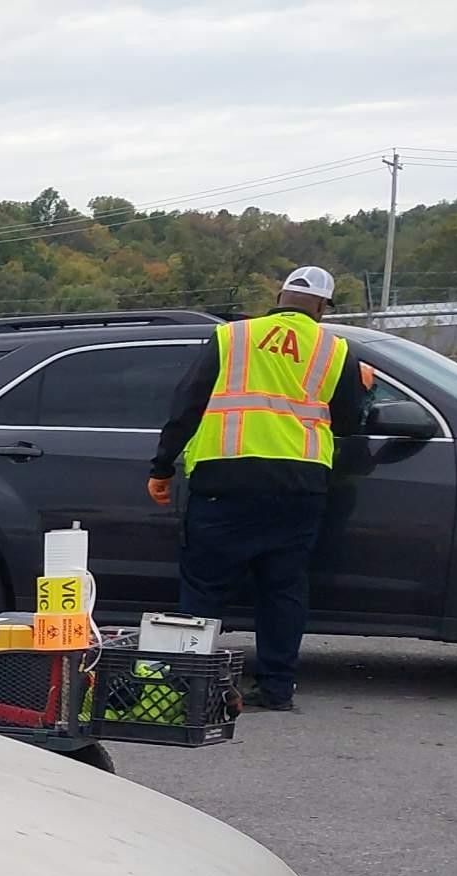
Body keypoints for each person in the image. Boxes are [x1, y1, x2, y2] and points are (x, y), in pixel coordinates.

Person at [149, 266, 373, 711]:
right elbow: (349, 422)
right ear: (323, 308)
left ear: (278, 295)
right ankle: (276, 687)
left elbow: (187, 403)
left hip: (225, 480)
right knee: (284, 588)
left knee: (204, 588)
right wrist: (364, 391)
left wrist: (162, 466)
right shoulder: (336, 351)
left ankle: (192, 686)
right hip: (299, 484)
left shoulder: (232, 337)